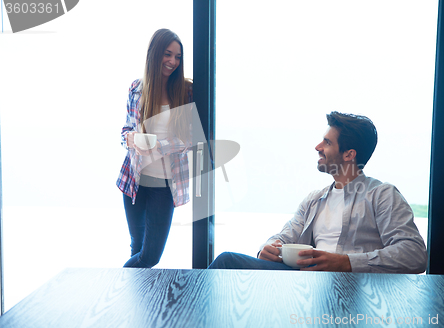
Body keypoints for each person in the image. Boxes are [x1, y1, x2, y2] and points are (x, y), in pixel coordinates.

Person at [208, 111, 427, 273]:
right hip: (306, 280)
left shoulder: (382, 194)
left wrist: (346, 262)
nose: (317, 147)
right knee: (228, 263)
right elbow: (284, 237)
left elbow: (415, 254)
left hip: (357, 286)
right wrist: (268, 248)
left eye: (327, 142)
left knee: (227, 261)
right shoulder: (315, 200)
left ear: (349, 154)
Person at [116, 29, 193, 268]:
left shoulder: (186, 91)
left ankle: (114, 287)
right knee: (136, 246)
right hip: (134, 181)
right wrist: (131, 139)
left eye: (177, 57)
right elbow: (125, 130)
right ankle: (136, 304)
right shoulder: (136, 88)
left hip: (164, 186)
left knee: (150, 257)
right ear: (154, 54)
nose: (172, 61)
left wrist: (157, 146)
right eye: (167, 54)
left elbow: (190, 140)